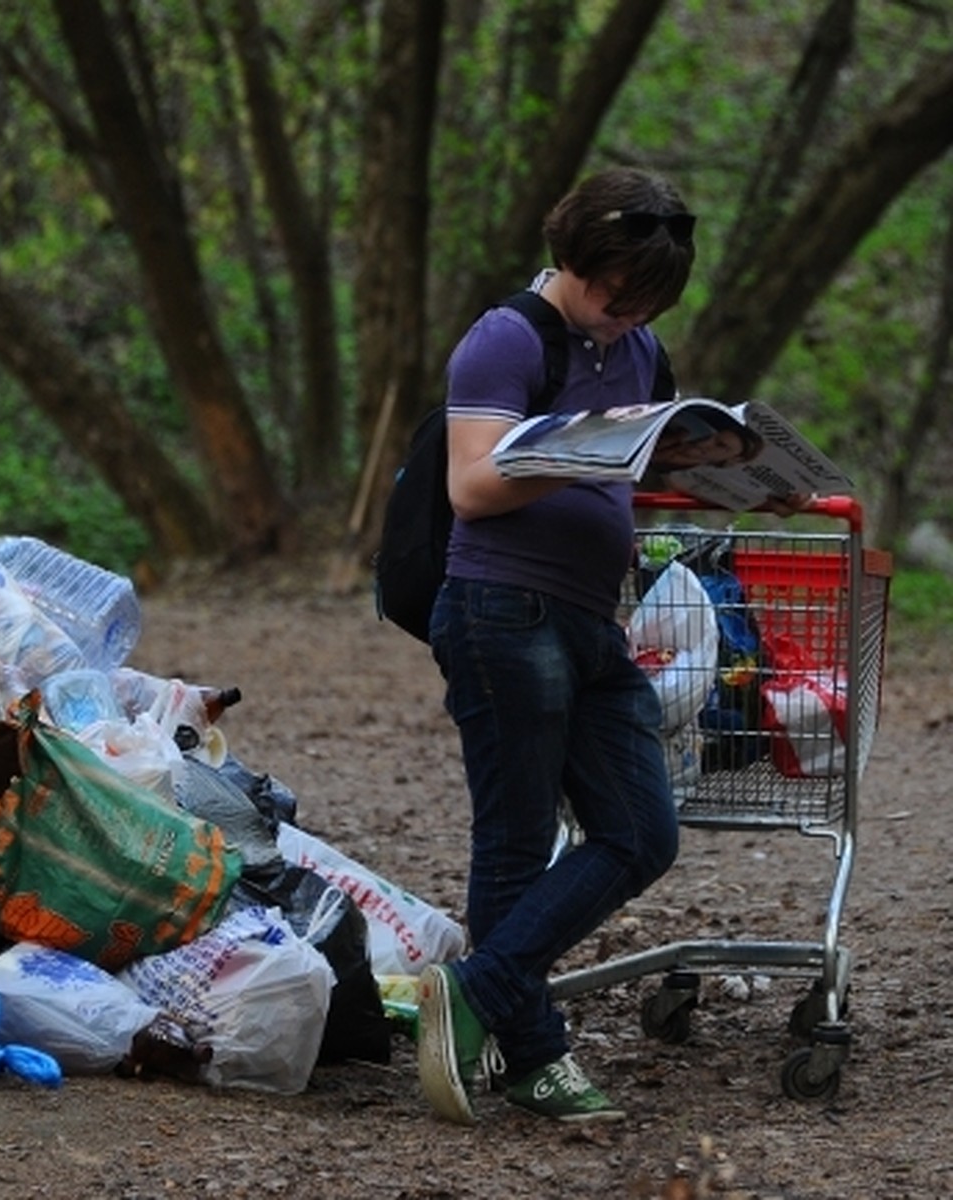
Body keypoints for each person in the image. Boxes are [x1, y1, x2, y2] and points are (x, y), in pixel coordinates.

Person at [418, 167, 698, 1125]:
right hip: (502, 609)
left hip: (591, 618)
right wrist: (583, 452)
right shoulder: (508, 339)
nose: (624, 320)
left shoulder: (642, 349)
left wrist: (741, 475)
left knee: (640, 830)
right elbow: (472, 487)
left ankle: (477, 990)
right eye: (614, 299)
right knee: (515, 842)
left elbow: (646, 463)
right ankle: (534, 1057)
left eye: (645, 306)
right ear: (575, 261)